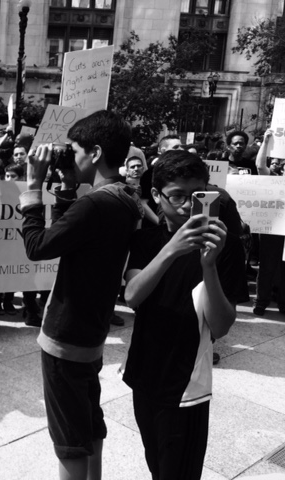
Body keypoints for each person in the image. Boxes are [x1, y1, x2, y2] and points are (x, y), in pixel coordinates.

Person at [19, 110, 142, 480]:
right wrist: (67, 188)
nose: (69, 156)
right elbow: (74, 237)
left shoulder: (96, 204)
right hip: (91, 332)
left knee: (69, 438)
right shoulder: (124, 197)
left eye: (73, 150)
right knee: (88, 420)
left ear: (96, 152)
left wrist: (31, 189)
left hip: (65, 337)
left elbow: (39, 246)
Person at [122, 150, 247, 480]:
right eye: (176, 195)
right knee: (156, 463)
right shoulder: (146, 240)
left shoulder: (227, 246)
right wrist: (172, 248)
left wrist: (209, 265)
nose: (185, 205)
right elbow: (133, 297)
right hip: (142, 374)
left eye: (197, 195)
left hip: (187, 387)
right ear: (156, 196)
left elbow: (220, 326)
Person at [253, 129, 285, 316]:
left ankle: (283, 303)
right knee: (267, 266)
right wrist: (266, 142)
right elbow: (259, 166)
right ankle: (261, 302)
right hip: (272, 229)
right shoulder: (273, 180)